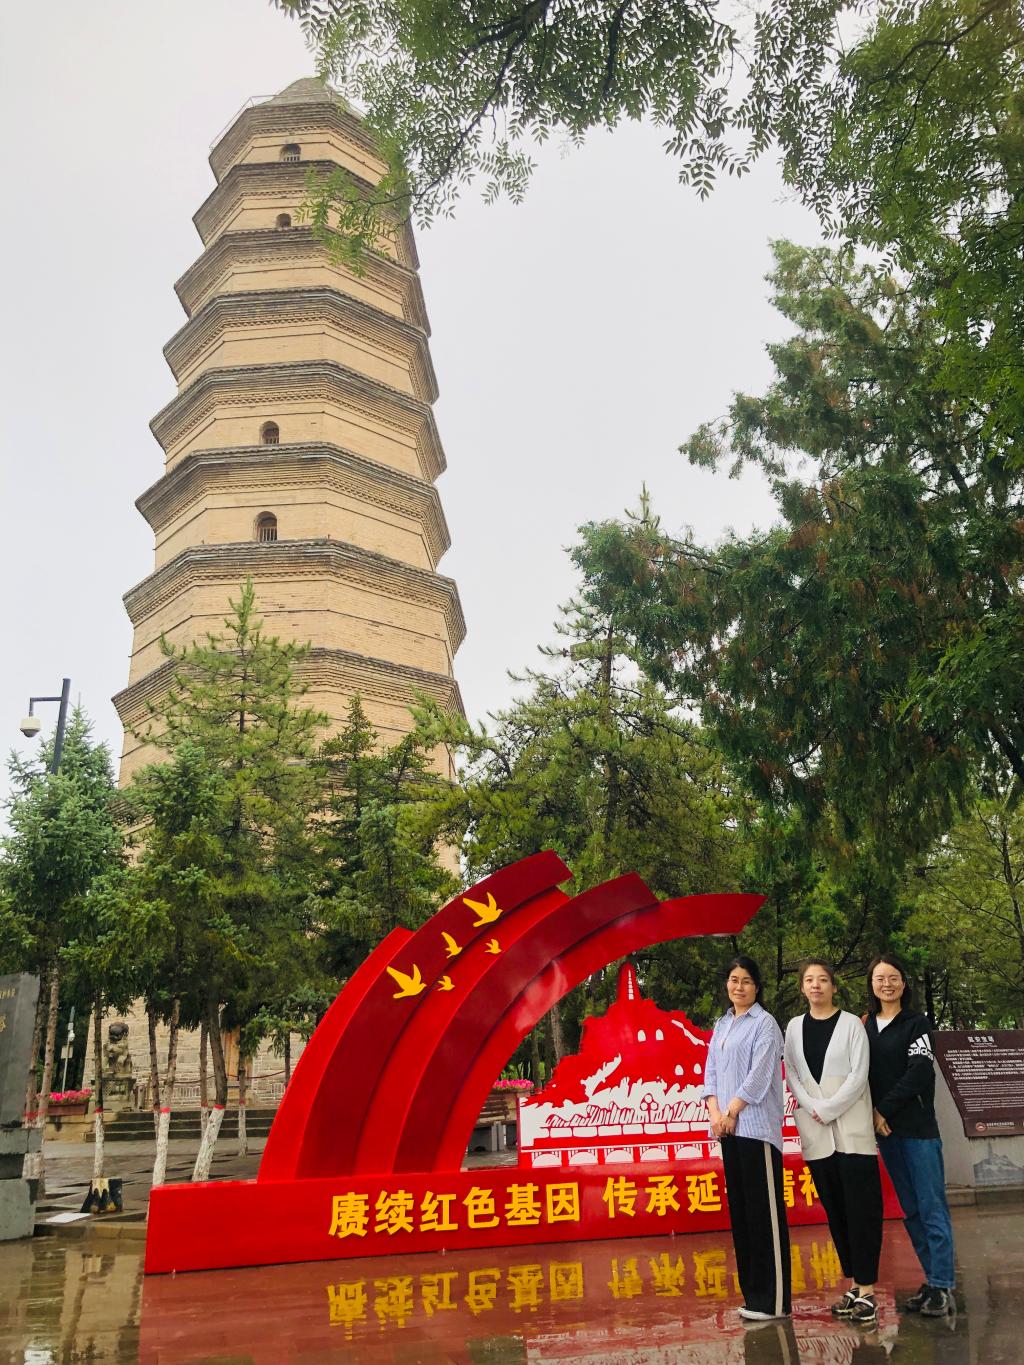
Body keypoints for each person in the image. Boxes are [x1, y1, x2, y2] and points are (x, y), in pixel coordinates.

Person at [784, 959, 882, 1325]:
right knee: (837, 1211)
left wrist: (828, 1109)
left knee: (862, 1211)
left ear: (833, 987)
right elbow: (792, 1073)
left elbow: (859, 1075)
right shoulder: (793, 1027)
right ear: (802, 988)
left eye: (823, 980)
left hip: (852, 1132)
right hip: (818, 1134)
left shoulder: (852, 1025)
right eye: (809, 980)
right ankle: (854, 1284)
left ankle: (868, 1289)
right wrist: (814, 1108)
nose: (816, 985)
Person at [865, 953, 956, 1318]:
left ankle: (943, 1284)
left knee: (932, 1208)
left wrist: (882, 1110)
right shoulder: (865, 1026)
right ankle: (932, 1280)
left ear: (904, 984)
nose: (886, 984)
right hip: (887, 1134)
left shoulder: (917, 1024)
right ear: (872, 984)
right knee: (912, 1211)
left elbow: (919, 1072)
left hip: (917, 1131)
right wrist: (875, 1116)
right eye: (880, 978)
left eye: (893, 978)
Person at [704, 955, 791, 1322]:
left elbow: (759, 1075)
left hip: (755, 1130)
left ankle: (775, 1301)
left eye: (746, 981)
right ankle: (754, 1296)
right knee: (742, 1215)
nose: (738, 986)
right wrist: (715, 1113)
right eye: (733, 979)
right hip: (727, 1130)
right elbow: (710, 1072)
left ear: (757, 987)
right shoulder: (722, 1024)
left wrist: (732, 1111)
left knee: (764, 1215)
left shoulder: (765, 1024)